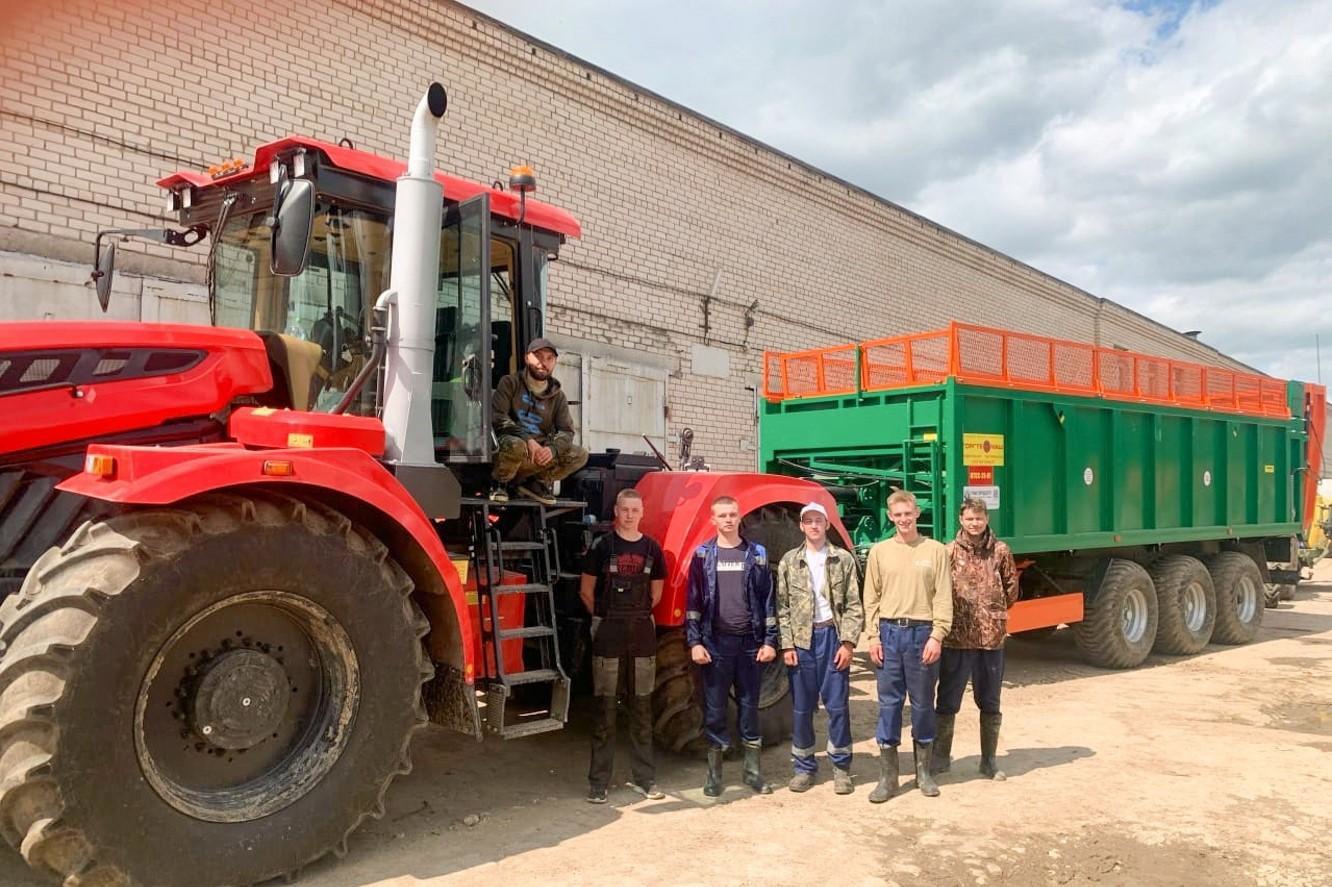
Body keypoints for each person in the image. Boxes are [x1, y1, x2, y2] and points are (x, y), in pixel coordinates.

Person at [862, 489, 952, 802]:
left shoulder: (936, 550)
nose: (903, 519)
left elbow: (943, 595)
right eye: (897, 515)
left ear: (917, 514)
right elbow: (870, 597)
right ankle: (888, 777)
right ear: (890, 516)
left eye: (908, 514)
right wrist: (872, 636)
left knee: (924, 703)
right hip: (889, 634)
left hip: (921, 633)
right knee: (889, 704)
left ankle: (923, 773)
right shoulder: (879, 552)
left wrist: (937, 635)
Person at [686, 495, 779, 797]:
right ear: (713, 520)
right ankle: (714, 776)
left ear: (740, 518)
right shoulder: (703, 555)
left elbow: (768, 601)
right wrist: (695, 641)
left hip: (750, 644)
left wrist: (769, 641)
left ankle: (753, 773)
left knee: (749, 708)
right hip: (715, 645)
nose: (728, 519)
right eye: (722, 515)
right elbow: (694, 603)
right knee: (714, 711)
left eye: (732, 514)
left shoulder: (757, 554)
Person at [580, 489, 668, 804]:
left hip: (642, 632)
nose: (630, 515)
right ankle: (598, 784)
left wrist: (634, 616)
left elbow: (656, 594)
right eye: (625, 509)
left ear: (642, 512)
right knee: (605, 712)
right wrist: (605, 620)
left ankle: (645, 780)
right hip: (609, 632)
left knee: (642, 709)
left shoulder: (652, 549)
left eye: (635, 509)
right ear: (616, 511)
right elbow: (586, 591)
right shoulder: (602, 547)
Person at [775, 502, 863, 794]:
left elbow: (853, 605)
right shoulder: (790, 561)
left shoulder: (843, 560)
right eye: (808, 521)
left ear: (827, 525)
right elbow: (782, 608)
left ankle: (841, 768)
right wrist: (787, 645)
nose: (814, 526)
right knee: (801, 709)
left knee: (837, 707)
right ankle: (803, 767)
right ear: (801, 526)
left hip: (832, 638)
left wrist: (848, 643)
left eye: (819, 521)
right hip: (802, 642)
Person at [933, 498, 1019, 781]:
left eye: (979, 518)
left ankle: (989, 761)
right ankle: (941, 758)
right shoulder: (947, 552)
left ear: (987, 519)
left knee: (990, 701)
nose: (974, 523)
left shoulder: (1001, 551)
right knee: (947, 700)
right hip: (956, 639)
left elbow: (1011, 590)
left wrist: (991, 613)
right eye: (969, 518)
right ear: (961, 520)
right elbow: (938, 591)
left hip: (990, 640)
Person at [490, 337, 588, 504]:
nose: (544, 362)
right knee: (516, 445)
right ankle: (501, 483)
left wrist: (551, 450)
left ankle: (534, 482)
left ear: (555, 362)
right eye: (539, 357)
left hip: (539, 453)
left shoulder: (558, 396)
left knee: (579, 455)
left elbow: (566, 431)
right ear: (527, 358)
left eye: (550, 358)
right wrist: (527, 439)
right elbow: (498, 417)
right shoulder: (510, 383)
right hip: (511, 448)